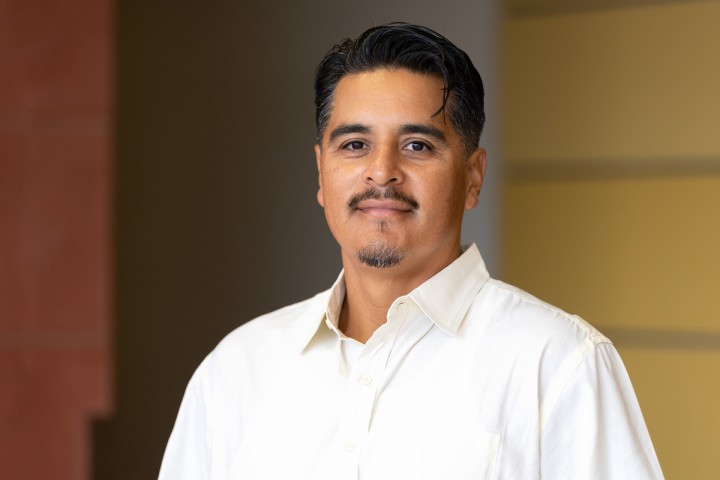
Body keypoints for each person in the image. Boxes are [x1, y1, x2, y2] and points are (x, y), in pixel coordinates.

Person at [158, 23, 663, 479]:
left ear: (472, 175)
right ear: (320, 173)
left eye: (417, 145)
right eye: (354, 144)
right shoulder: (236, 370)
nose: (382, 171)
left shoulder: (557, 364)